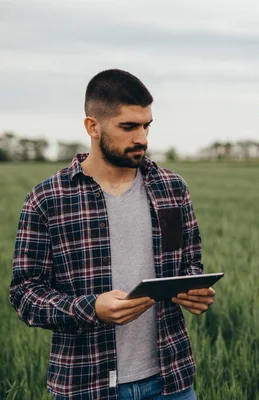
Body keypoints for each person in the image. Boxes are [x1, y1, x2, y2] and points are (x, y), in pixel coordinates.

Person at [10, 69, 215, 400]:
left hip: (171, 381)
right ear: (93, 127)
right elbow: (25, 295)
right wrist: (91, 308)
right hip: (86, 386)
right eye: (129, 127)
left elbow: (189, 262)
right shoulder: (47, 198)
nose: (142, 138)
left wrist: (194, 289)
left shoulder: (172, 188)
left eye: (146, 125)